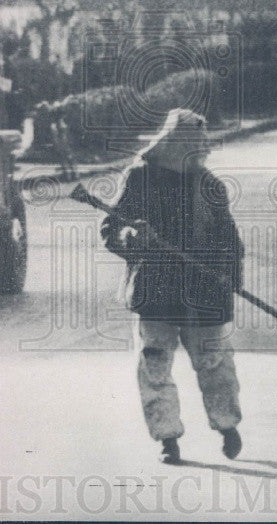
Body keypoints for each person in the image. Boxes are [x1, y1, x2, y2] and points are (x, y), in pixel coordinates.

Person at [101, 109, 244, 464]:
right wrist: (129, 235)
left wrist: (230, 277)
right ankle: (168, 437)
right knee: (155, 366)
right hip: (156, 290)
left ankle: (227, 425)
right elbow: (111, 229)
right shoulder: (139, 179)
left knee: (215, 364)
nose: (203, 152)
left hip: (203, 290)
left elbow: (230, 239)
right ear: (174, 145)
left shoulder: (209, 185)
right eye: (196, 146)